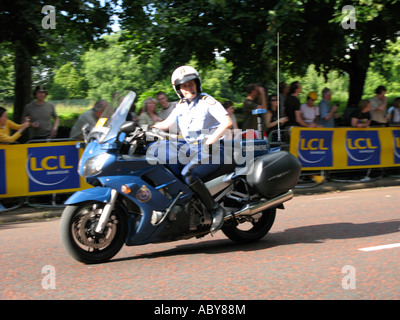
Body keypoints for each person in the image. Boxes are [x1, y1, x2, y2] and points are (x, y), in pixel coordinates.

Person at [153, 65, 232, 233]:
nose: (188, 88)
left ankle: (214, 209)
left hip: (214, 148)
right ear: (178, 89)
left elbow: (227, 122)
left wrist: (211, 140)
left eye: (191, 84)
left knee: (189, 174)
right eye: (184, 86)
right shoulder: (181, 105)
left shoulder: (207, 101)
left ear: (197, 83)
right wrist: (146, 127)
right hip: (193, 148)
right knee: (167, 164)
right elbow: (167, 124)